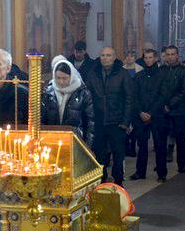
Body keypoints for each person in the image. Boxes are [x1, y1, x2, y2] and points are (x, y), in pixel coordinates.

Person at [85, 47, 135, 186]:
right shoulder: (93, 73)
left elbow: (129, 98)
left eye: (108, 55)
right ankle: (101, 181)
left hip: (117, 121)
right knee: (99, 154)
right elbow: (87, 97)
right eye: (103, 55)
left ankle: (118, 181)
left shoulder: (122, 73)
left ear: (114, 57)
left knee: (118, 154)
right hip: (99, 121)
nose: (105, 58)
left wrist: (126, 121)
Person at [152, 45, 185, 181]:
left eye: (172, 54)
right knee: (160, 143)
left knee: (181, 140)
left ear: (177, 55)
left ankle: (181, 165)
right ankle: (161, 173)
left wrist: (170, 104)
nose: (170, 57)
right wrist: (162, 105)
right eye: (168, 54)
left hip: (178, 111)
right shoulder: (160, 71)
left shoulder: (184, 71)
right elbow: (156, 90)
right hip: (162, 112)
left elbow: (184, 91)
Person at [41, 57, 95, 146]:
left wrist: (88, 145)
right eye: (58, 78)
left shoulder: (82, 93)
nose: (61, 82)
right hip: (52, 140)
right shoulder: (48, 92)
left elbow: (90, 121)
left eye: (65, 78)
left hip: (76, 141)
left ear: (71, 76)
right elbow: (42, 118)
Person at [130, 48, 160, 180]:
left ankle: (161, 172)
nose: (148, 60)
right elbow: (134, 95)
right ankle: (140, 172)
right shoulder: (139, 76)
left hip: (156, 115)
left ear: (155, 58)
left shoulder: (161, 75)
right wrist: (140, 112)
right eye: (146, 58)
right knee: (142, 145)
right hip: (141, 114)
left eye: (150, 57)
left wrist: (151, 112)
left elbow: (162, 95)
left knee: (159, 145)